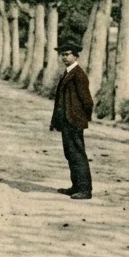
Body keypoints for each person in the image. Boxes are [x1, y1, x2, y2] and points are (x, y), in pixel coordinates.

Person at [49, 43, 94, 199]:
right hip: (67, 121)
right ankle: (76, 186)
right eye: (62, 54)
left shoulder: (79, 75)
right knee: (70, 154)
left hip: (74, 121)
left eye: (67, 54)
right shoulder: (68, 73)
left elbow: (87, 101)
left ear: (75, 56)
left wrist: (81, 118)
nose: (64, 57)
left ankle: (85, 190)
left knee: (77, 154)